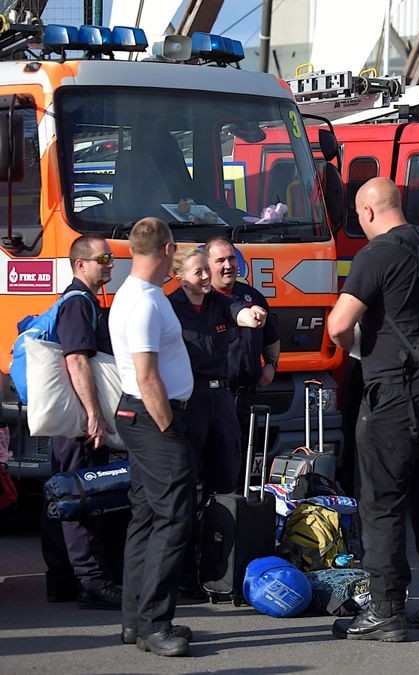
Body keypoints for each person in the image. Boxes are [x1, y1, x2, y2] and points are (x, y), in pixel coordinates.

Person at [327, 177, 419, 642]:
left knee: (382, 503)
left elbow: (339, 324)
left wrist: (357, 350)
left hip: (393, 395)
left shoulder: (377, 254)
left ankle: (386, 610)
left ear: (367, 213)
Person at [110, 217, 195, 656]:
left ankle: (135, 620)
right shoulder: (143, 302)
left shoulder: (135, 294)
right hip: (152, 417)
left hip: (141, 416)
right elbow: (146, 376)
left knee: (146, 517)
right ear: (167, 249)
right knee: (173, 518)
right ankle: (154, 625)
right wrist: (167, 428)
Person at [168, 246, 266, 593]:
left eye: (206, 271)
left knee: (225, 483)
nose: (207, 277)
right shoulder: (170, 306)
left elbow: (238, 311)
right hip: (189, 398)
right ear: (181, 276)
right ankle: (184, 573)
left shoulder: (219, 302)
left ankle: (219, 570)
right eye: (200, 272)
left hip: (221, 397)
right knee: (189, 487)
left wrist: (252, 315)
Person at [40, 235, 123, 609]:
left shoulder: (82, 301)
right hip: (78, 421)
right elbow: (77, 360)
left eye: (110, 257)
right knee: (78, 498)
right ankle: (92, 583)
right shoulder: (78, 303)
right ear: (80, 265)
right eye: (102, 257)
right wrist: (94, 415)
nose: (109, 263)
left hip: (71, 420)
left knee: (61, 496)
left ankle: (61, 580)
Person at [205, 237, 279, 454]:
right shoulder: (201, 300)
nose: (228, 266)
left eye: (231, 259)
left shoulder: (252, 295)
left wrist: (272, 366)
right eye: (220, 261)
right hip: (214, 399)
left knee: (244, 465)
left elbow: (272, 337)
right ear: (207, 265)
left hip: (247, 398)